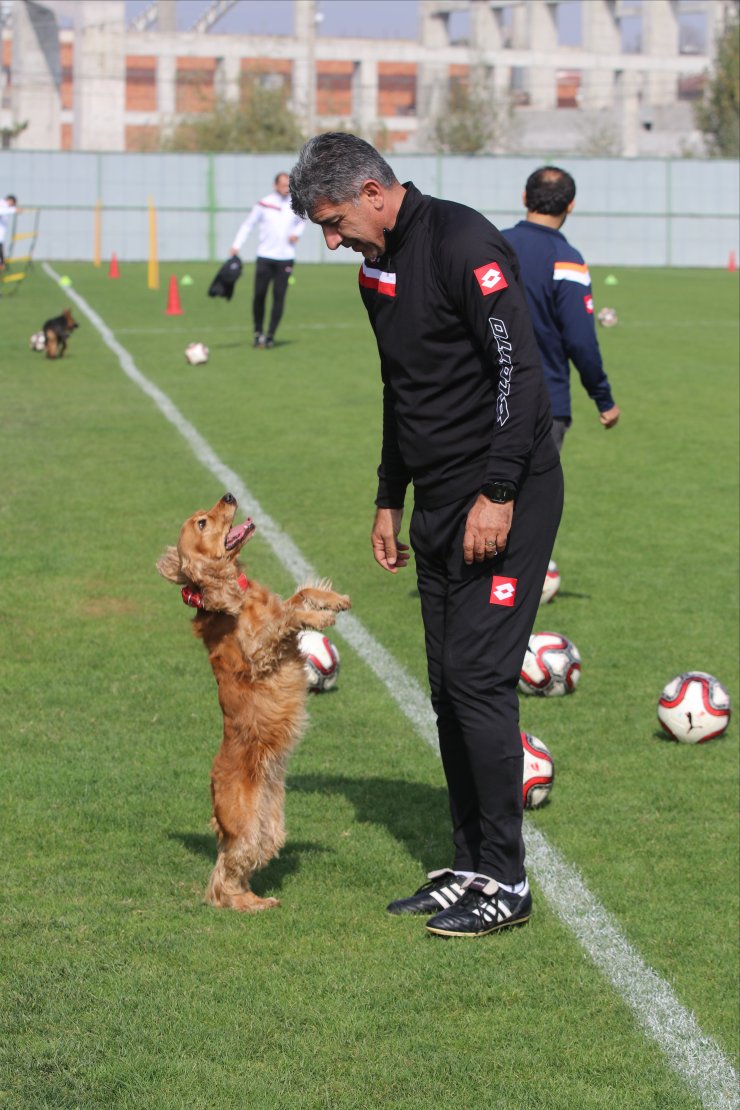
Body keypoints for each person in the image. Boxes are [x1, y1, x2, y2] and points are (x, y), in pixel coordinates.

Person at [290, 133, 563, 939]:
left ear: (375, 191)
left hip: (503, 495)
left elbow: (521, 371)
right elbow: (401, 383)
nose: (333, 241)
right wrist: (389, 495)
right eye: (322, 228)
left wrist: (500, 490)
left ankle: (506, 882)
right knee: (448, 684)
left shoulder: (464, 241)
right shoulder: (376, 267)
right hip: (439, 499)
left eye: (336, 221)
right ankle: (471, 864)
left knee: (479, 679)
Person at [503, 167, 620, 452]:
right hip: (542, 403)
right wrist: (603, 398)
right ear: (571, 205)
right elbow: (580, 340)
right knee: (534, 496)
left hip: (481, 398)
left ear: (524, 198)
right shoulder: (567, 260)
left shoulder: (490, 246)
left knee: (481, 494)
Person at [230, 172, 305, 349]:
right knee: (259, 296)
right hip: (265, 257)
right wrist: (236, 245)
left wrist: (296, 234)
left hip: (286, 258)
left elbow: (303, 219)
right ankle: (258, 333)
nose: (286, 187)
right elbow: (248, 225)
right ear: (275, 185)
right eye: (283, 184)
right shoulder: (264, 203)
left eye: (289, 184)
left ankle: (270, 335)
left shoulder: (295, 204)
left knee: (279, 297)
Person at [0, 193, 18, 271]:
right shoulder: (2, 203)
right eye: (12, 204)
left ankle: (2, 263)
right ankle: (2, 263)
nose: (12, 205)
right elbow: (1, 211)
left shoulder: (6, 207)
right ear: (9, 200)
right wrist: (14, 210)